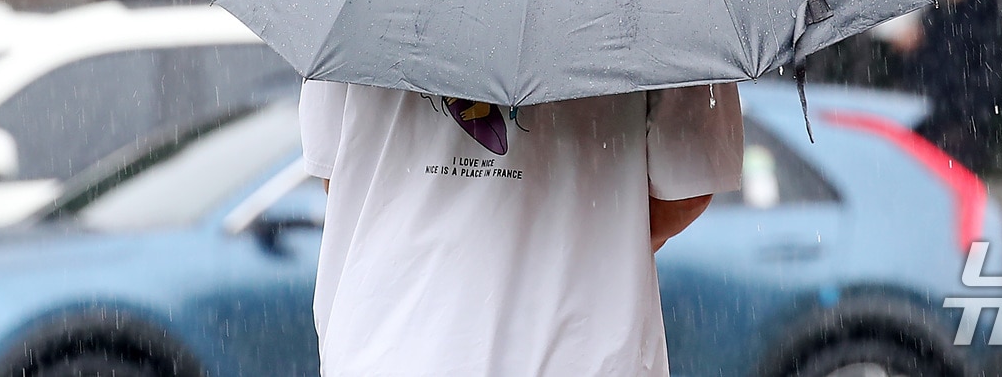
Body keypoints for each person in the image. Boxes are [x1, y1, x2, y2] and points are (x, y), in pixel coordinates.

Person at [300, 79, 744, 377]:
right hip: (578, 353)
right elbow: (685, 191)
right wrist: (584, 240)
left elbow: (338, 177)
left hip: (385, 348)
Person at [889, 0, 1002, 174]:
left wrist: (963, 118)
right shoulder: (935, 11)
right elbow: (923, 70)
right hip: (925, 125)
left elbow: (987, 74)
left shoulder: (983, 9)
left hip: (958, 131)